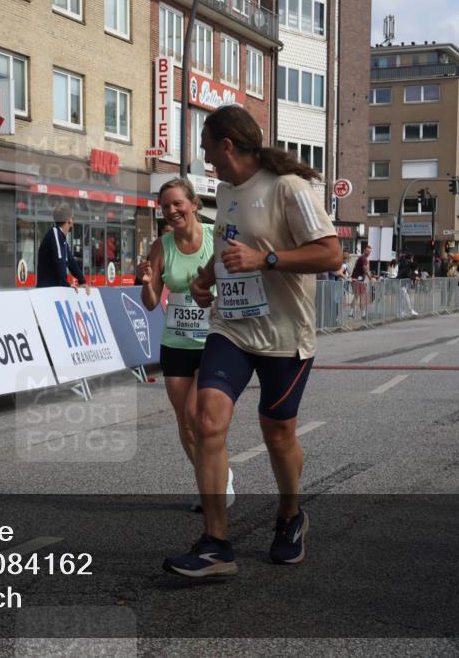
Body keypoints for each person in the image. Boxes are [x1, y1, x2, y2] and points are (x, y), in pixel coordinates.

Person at [164, 105, 340, 577]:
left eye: (208, 150)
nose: (207, 162)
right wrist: (205, 278)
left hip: (285, 336)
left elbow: (330, 252)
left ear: (228, 146)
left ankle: (290, 516)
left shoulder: (289, 188)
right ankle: (216, 544)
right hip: (232, 327)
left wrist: (268, 260)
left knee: (277, 432)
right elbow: (228, 245)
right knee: (206, 421)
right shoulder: (225, 191)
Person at [137, 178, 234, 513]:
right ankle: (211, 481)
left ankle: (220, 485)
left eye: (177, 203)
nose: (172, 211)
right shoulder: (161, 245)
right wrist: (149, 282)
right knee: (185, 422)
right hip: (176, 343)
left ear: (194, 204)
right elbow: (150, 303)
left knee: (198, 414)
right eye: (165, 206)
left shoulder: (214, 238)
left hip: (214, 341)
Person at [35, 203, 89, 293]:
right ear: (68, 220)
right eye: (72, 218)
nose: (73, 220)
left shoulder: (61, 238)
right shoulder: (54, 233)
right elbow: (59, 262)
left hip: (54, 290)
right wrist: (66, 285)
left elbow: (71, 262)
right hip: (47, 292)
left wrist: (82, 281)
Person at [349, 245, 372, 319]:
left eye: (370, 251)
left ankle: (351, 313)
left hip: (355, 279)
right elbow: (365, 270)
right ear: (364, 250)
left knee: (356, 296)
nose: (368, 253)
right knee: (362, 296)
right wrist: (371, 278)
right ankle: (363, 314)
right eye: (367, 251)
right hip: (358, 280)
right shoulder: (364, 258)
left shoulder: (361, 258)